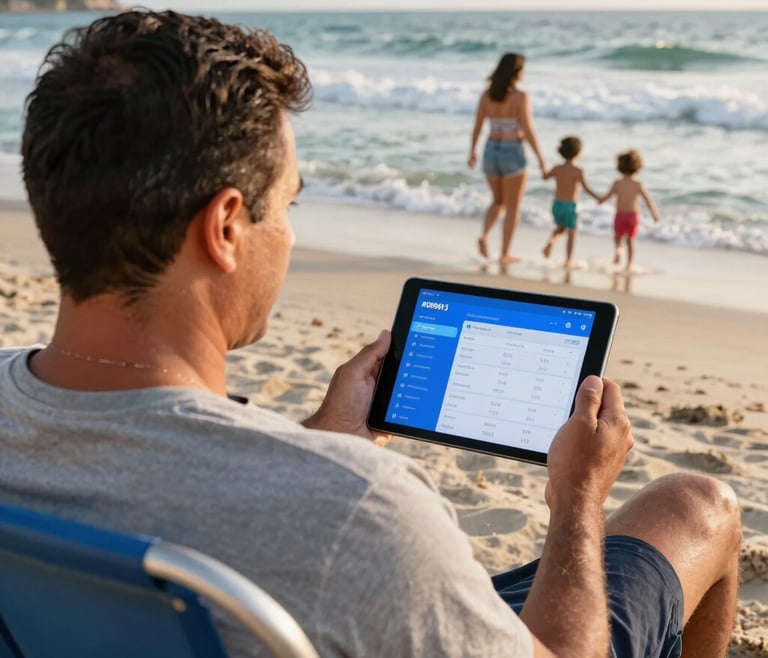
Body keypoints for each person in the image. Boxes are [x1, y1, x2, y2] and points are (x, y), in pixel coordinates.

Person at [1, 10, 741, 658]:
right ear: (225, 227)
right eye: (287, 205)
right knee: (698, 505)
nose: (290, 235)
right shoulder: (361, 512)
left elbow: (174, 482)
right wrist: (577, 494)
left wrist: (324, 439)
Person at [468, 52, 546, 265]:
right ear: (516, 72)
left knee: (498, 201)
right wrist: (541, 159)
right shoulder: (521, 97)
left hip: (491, 149)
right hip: (512, 151)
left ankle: (484, 235)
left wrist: (472, 152)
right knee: (513, 207)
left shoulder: (487, 95)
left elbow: (477, 127)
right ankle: (505, 253)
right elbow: (528, 129)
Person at [541, 136, 600, 269]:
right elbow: (586, 189)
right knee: (572, 234)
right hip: (571, 206)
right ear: (578, 153)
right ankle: (568, 260)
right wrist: (598, 198)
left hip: (557, 204)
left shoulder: (557, 168)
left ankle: (551, 241)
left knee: (560, 229)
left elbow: (545, 177)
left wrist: (542, 165)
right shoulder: (578, 171)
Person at [600, 149, 661, 272]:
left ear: (620, 166)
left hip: (620, 216)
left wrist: (599, 200)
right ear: (638, 166)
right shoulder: (638, 184)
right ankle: (629, 265)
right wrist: (655, 214)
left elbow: (607, 196)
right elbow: (648, 201)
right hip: (633, 216)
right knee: (631, 241)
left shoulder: (617, 183)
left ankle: (618, 251)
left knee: (618, 238)